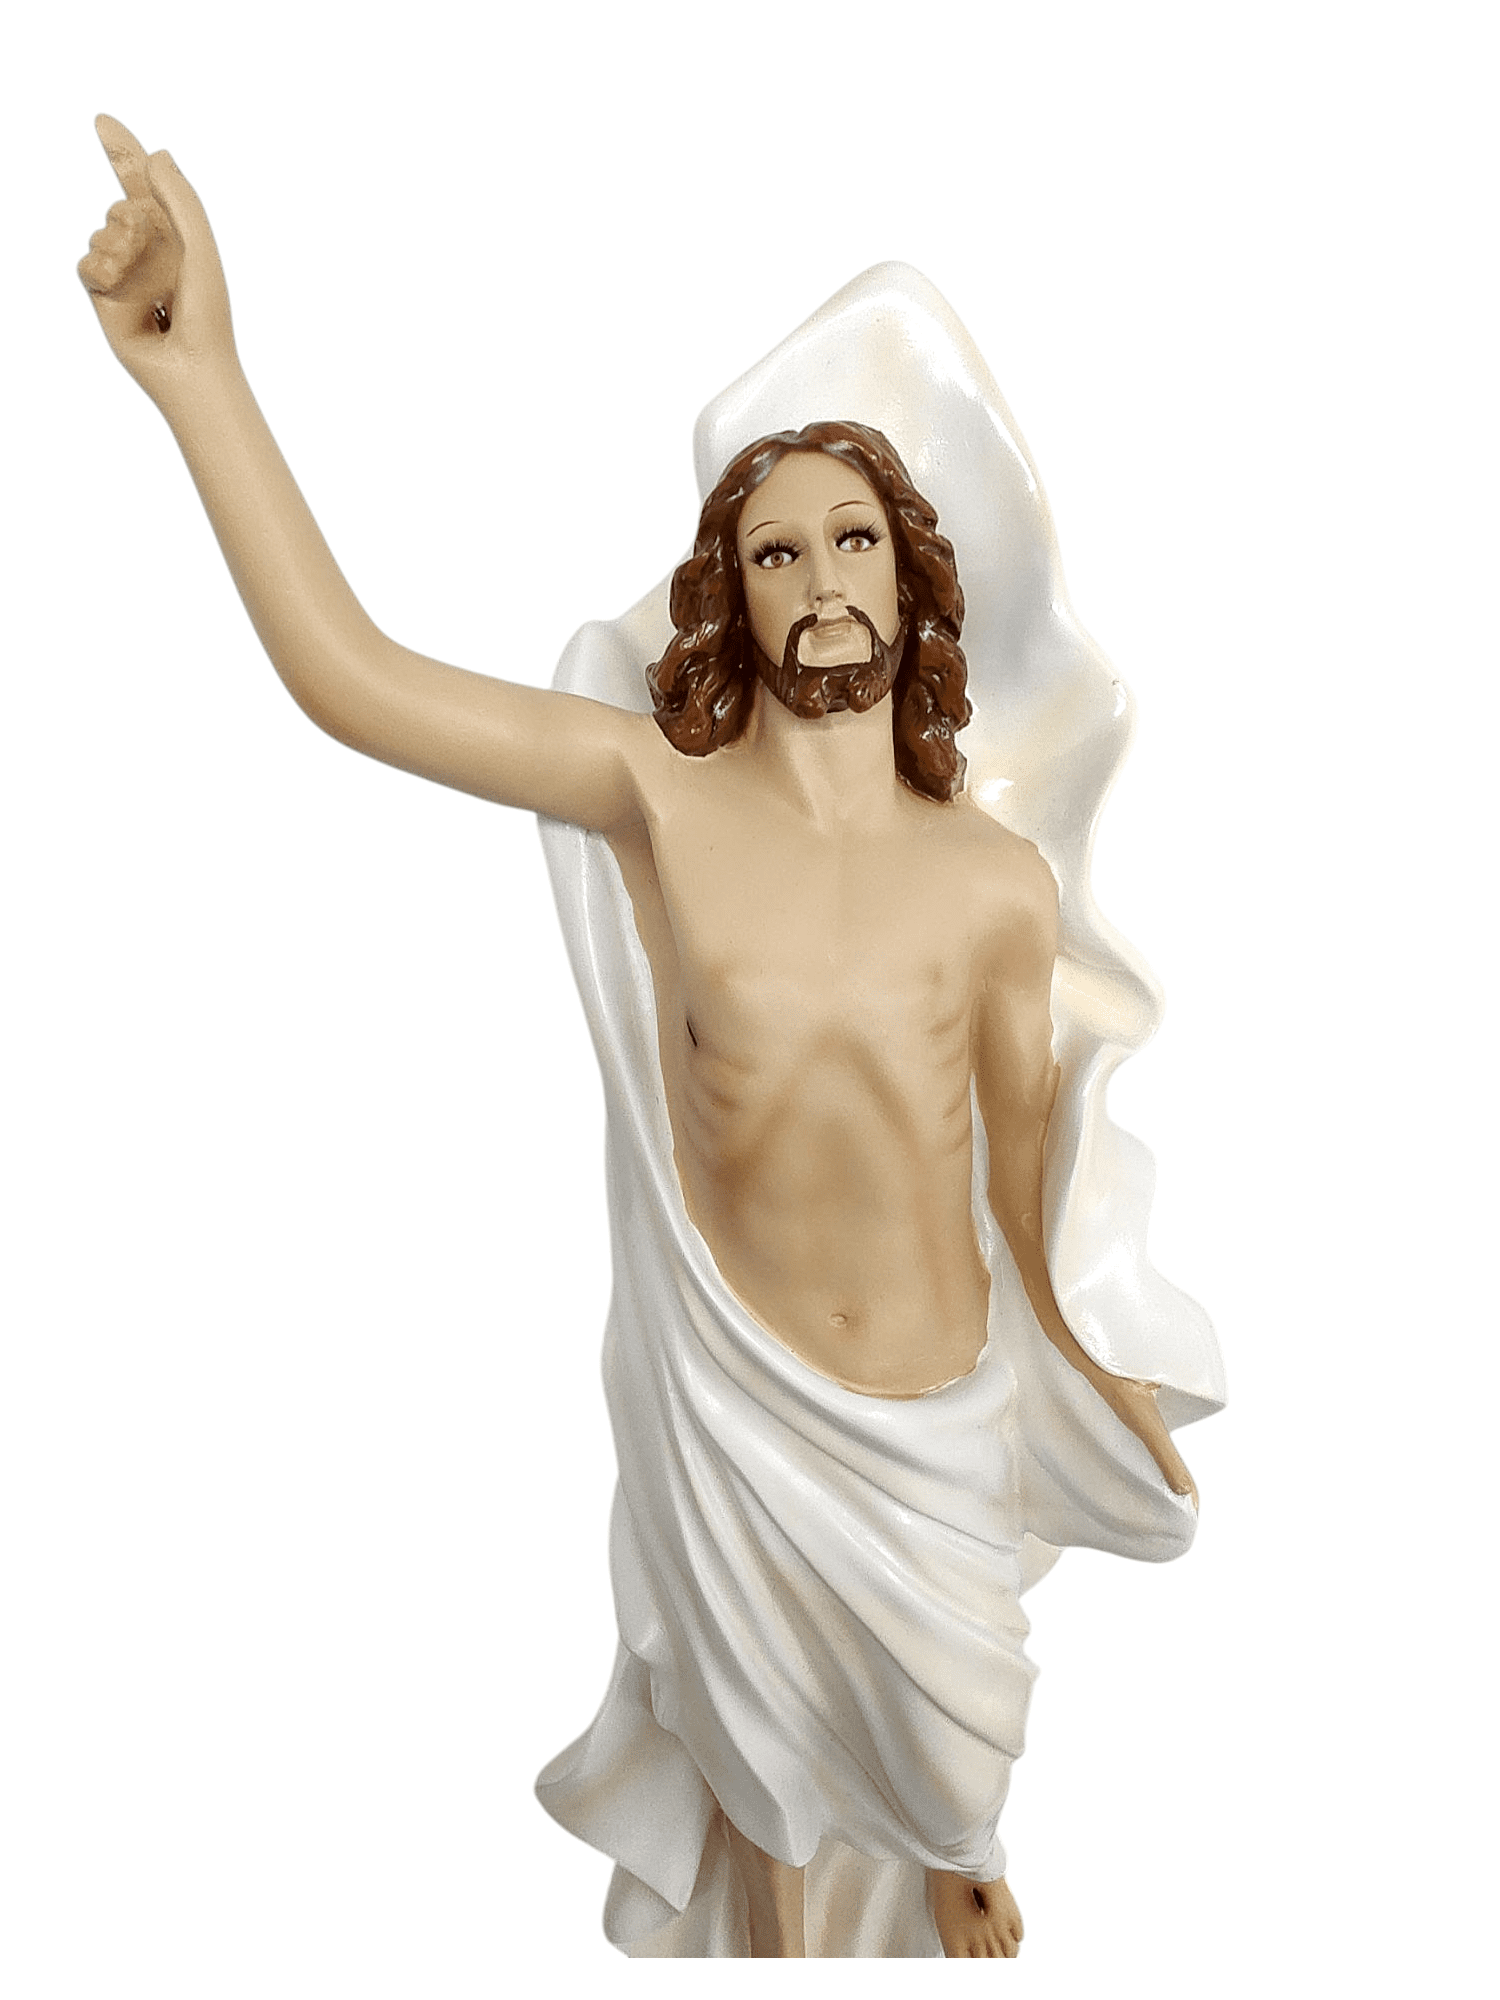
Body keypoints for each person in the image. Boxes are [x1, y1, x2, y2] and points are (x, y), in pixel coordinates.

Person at [80, 117, 1219, 1959]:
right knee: (764, 1775)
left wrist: (1096, 1364)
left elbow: (1030, 1164)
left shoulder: (993, 883)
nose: (823, 578)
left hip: (932, 1420)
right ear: (733, 596)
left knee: (956, 1746)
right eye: (777, 551)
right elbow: (353, 679)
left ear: (913, 581)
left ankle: (956, 1838)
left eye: (855, 539)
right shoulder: (657, 799)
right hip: (738, 1408)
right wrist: (200, 379)